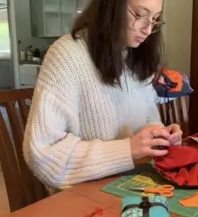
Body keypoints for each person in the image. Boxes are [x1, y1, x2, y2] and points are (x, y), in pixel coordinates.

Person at [22, 0, 182, 190]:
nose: (148, 29)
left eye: (155, 19)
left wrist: (158, 136)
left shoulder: (136, 55)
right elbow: (43, 155)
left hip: (134, 184)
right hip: (84, 195)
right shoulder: (67, 54)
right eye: (139, 15)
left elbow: (148, 118)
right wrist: (128, 149)